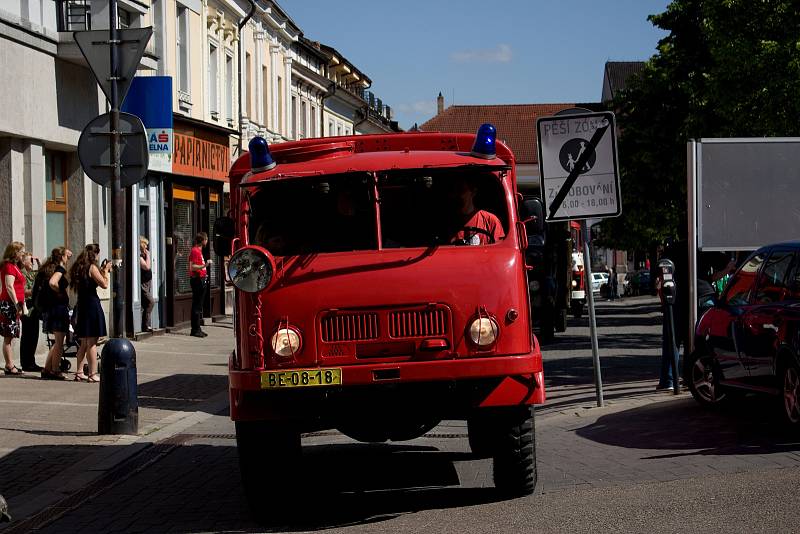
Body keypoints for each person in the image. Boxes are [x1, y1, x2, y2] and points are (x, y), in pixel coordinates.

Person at [69, 244, 111, 382]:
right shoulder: (91, 267)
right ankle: (92, 373)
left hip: (82, 304)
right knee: (92, 342)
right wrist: (106, 271)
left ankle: (79, 372)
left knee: (84, 342)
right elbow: (104, 284)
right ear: (95, 254)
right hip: (92, 304)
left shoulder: (78, 267)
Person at [40, 247, 72, 380]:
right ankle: (55, 370)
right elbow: (52, 282)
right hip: (58, 309)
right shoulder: (59, 269)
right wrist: (59, 291)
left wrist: (66, 252)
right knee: (59, 342)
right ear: (61, 257)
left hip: (51, 308)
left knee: (56, 342)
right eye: (66, 255)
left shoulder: (48, 268)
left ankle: (47, 369)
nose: (68, 258)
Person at [445, 176, 504, 246]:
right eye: (453, 191)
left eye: (460, 190)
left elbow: (499, 251)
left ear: (473, 192)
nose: (456, 195)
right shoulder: (447, 222)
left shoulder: (490, 221)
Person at [0, 241, 28, 375]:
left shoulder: (15, 266)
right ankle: (9, 366)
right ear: (14, 253)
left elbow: (20, 286)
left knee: (11, 336)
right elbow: (9, 286)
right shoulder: (9, 266)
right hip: (9, 305)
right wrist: (17, 303)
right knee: (8, 336)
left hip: (15, 305)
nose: (23, 253)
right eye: (21, 251)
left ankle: (10, 364)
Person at [19, 251, 42, 372]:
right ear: (23, 262)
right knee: (28, 336)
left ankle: (31, 362)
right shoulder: (22, 274)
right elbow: (23, 291)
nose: (32, 262)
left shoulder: (31, 273)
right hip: (27, 307)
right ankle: (26, 363)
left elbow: (41, 275)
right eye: (30, 260)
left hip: (34, 307)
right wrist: (36, 291)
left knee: (34, 336)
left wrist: (38, 263)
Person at [189, 232, 211, 338]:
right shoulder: (195, 251)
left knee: (199, 305)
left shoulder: (199, 251)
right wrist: (205, 265)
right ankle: (195, 329)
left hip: (201, 279)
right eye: (206, 239)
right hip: (198, 280)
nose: (206, 241)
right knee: (197, 306)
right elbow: (192, 267)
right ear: (202, 240)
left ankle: (198, 328)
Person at [139, 236, 154, 332]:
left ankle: (146, 324)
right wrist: (148, 255)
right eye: (145, 246)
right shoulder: (139, 257)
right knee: (151, 302)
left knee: (146, 304)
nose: (147, 248)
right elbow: (147, 267)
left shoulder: (143, 256)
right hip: (143, 283)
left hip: (148, 282)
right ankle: (146, 325)